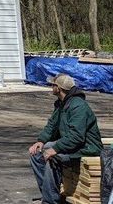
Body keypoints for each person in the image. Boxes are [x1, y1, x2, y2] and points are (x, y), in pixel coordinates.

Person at [29, 73, 104, 204]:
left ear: (59, 88)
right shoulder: (61, 104)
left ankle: (50, 201)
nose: (51, 86)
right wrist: (41, 141)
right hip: (72, 143)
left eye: (53, 85)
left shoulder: (78, 106)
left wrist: (55, 149)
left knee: (53, 158)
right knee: (37, 154)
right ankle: (47, 194)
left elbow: (77, 136)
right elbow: (52, 125)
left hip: (87, 146)